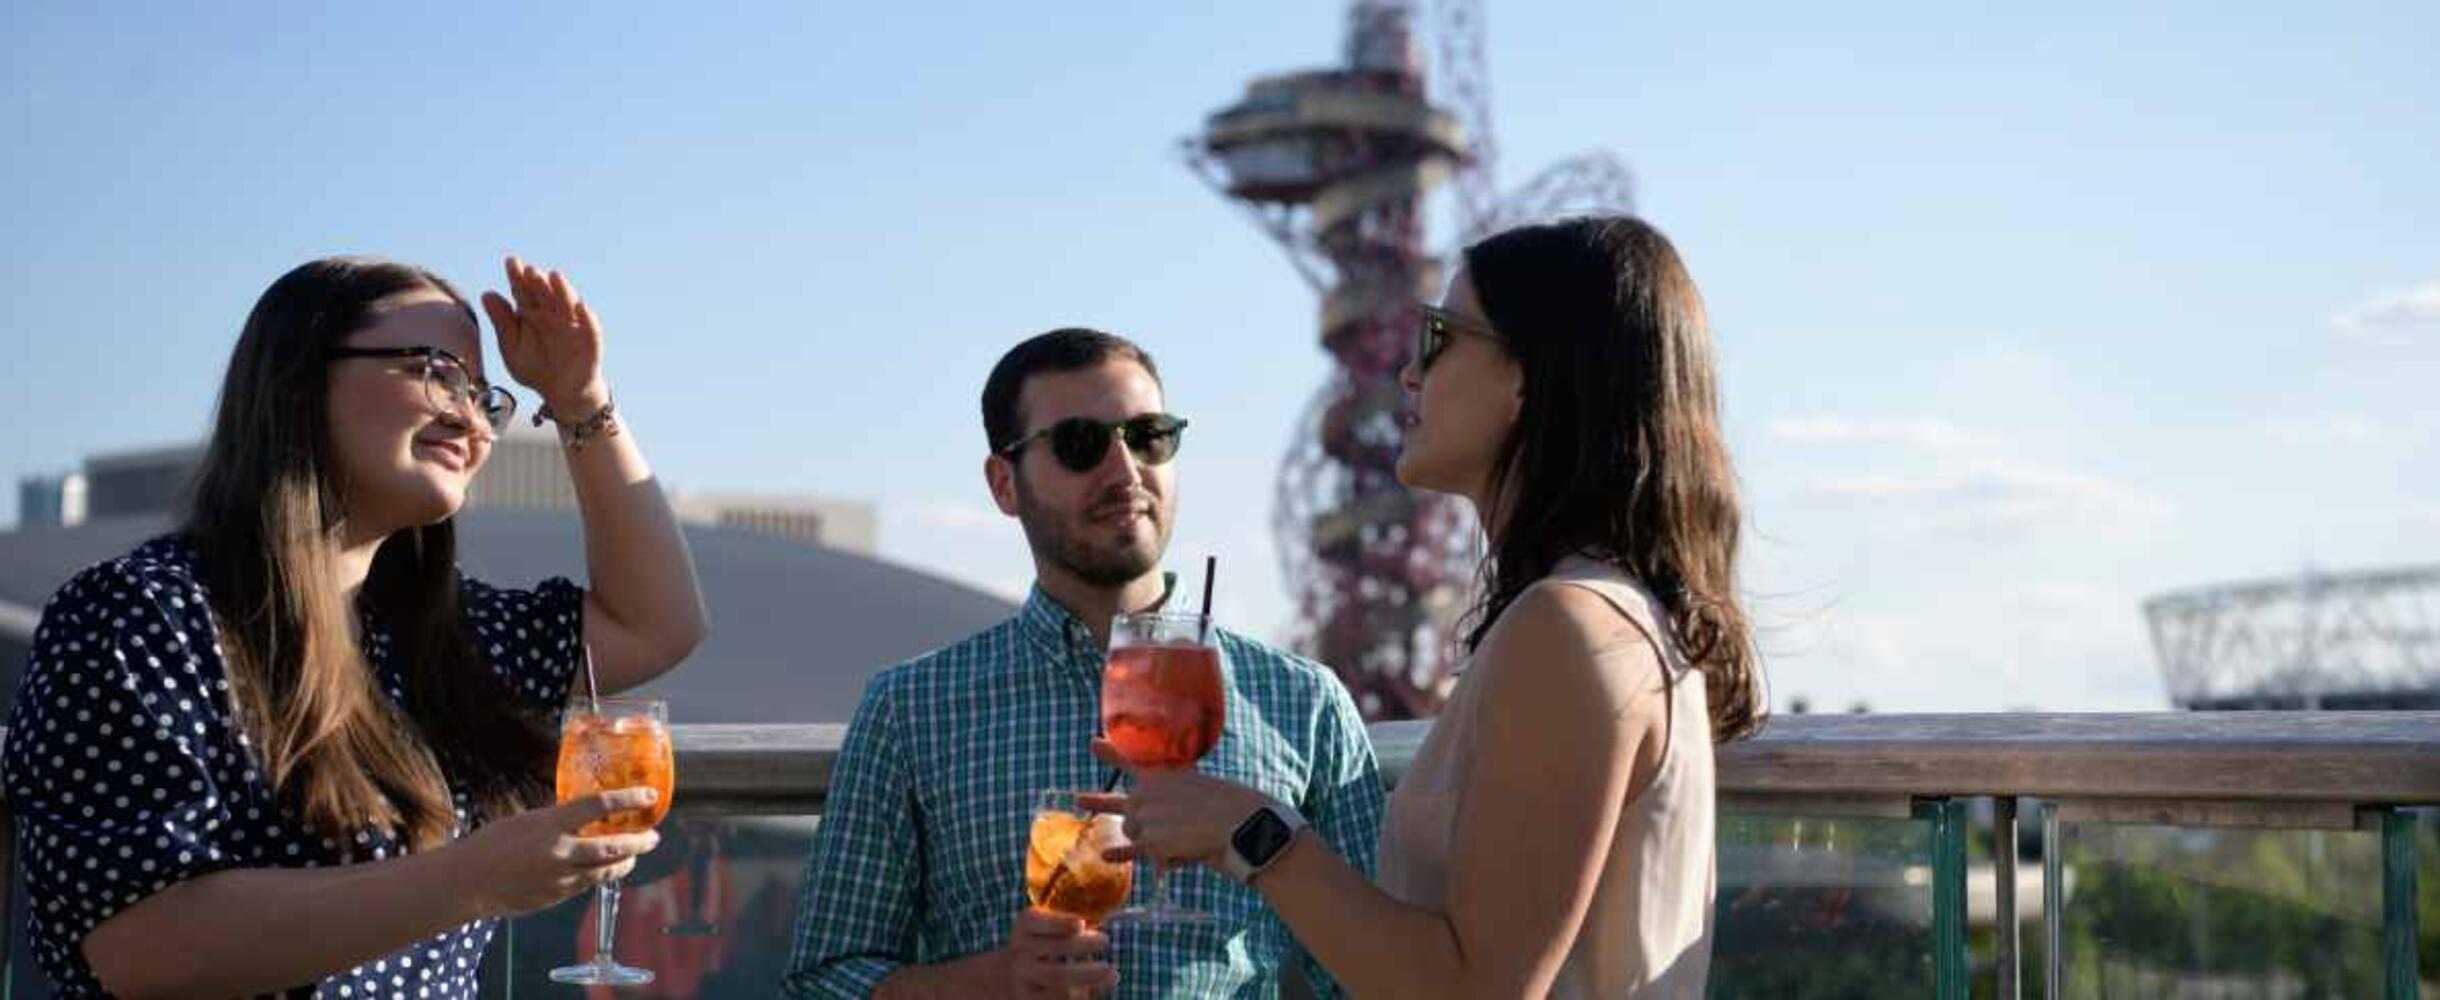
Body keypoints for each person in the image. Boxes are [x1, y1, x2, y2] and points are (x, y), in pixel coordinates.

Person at [1091, 216, 1766, 998]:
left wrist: (1256, 835)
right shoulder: (1610, 616)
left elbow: (1479, 988)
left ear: (1527, 377)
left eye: (1439, 336)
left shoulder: (1570, 627)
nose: (1410, 374)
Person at [3, 255, 710, 998]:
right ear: (300, 379)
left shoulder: (443, 635)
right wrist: (475, 878)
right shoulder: (141, 616)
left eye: (481, 394)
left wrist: (579, 398)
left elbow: (656, 622)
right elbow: (145, 946)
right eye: (434, 371)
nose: (469, 416)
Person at [783, 328, 1384, 999]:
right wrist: (993, 983)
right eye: (1079, 445)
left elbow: (1381, 979)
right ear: (1003, 483)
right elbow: (822, 981)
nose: (1125, 471)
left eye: (1149, 435)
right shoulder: (912, 707)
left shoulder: (1303, 702)